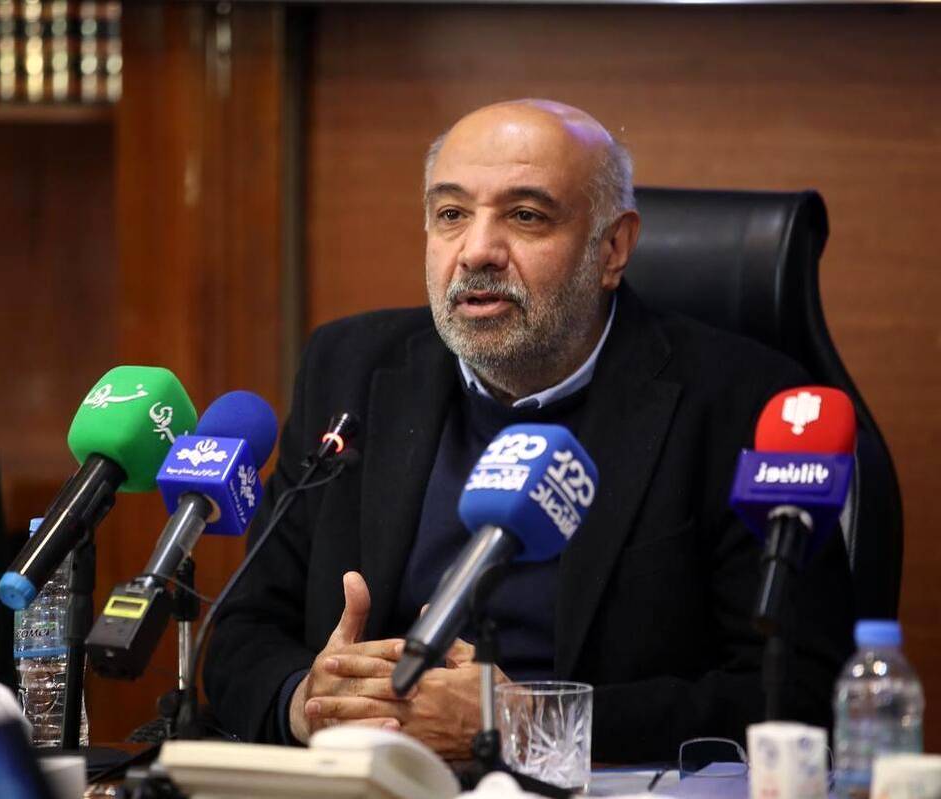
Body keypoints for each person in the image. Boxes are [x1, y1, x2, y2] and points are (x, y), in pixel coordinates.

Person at [203, 99, 854, 763]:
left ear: (612, 247)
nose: (477, 251)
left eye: (525, 216)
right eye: (451, 214)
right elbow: (244, 629)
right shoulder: (350, 367)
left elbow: (797, 687)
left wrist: (527, 723)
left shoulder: (741, 401)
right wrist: (307, 701)